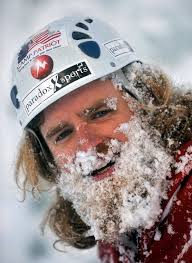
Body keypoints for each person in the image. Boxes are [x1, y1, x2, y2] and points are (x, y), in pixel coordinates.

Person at [10, 16, 192, 262]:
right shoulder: (117, 231)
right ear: (47, 158)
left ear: (144, 101)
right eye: (63, 134)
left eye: (100, 113)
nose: (88, 146)